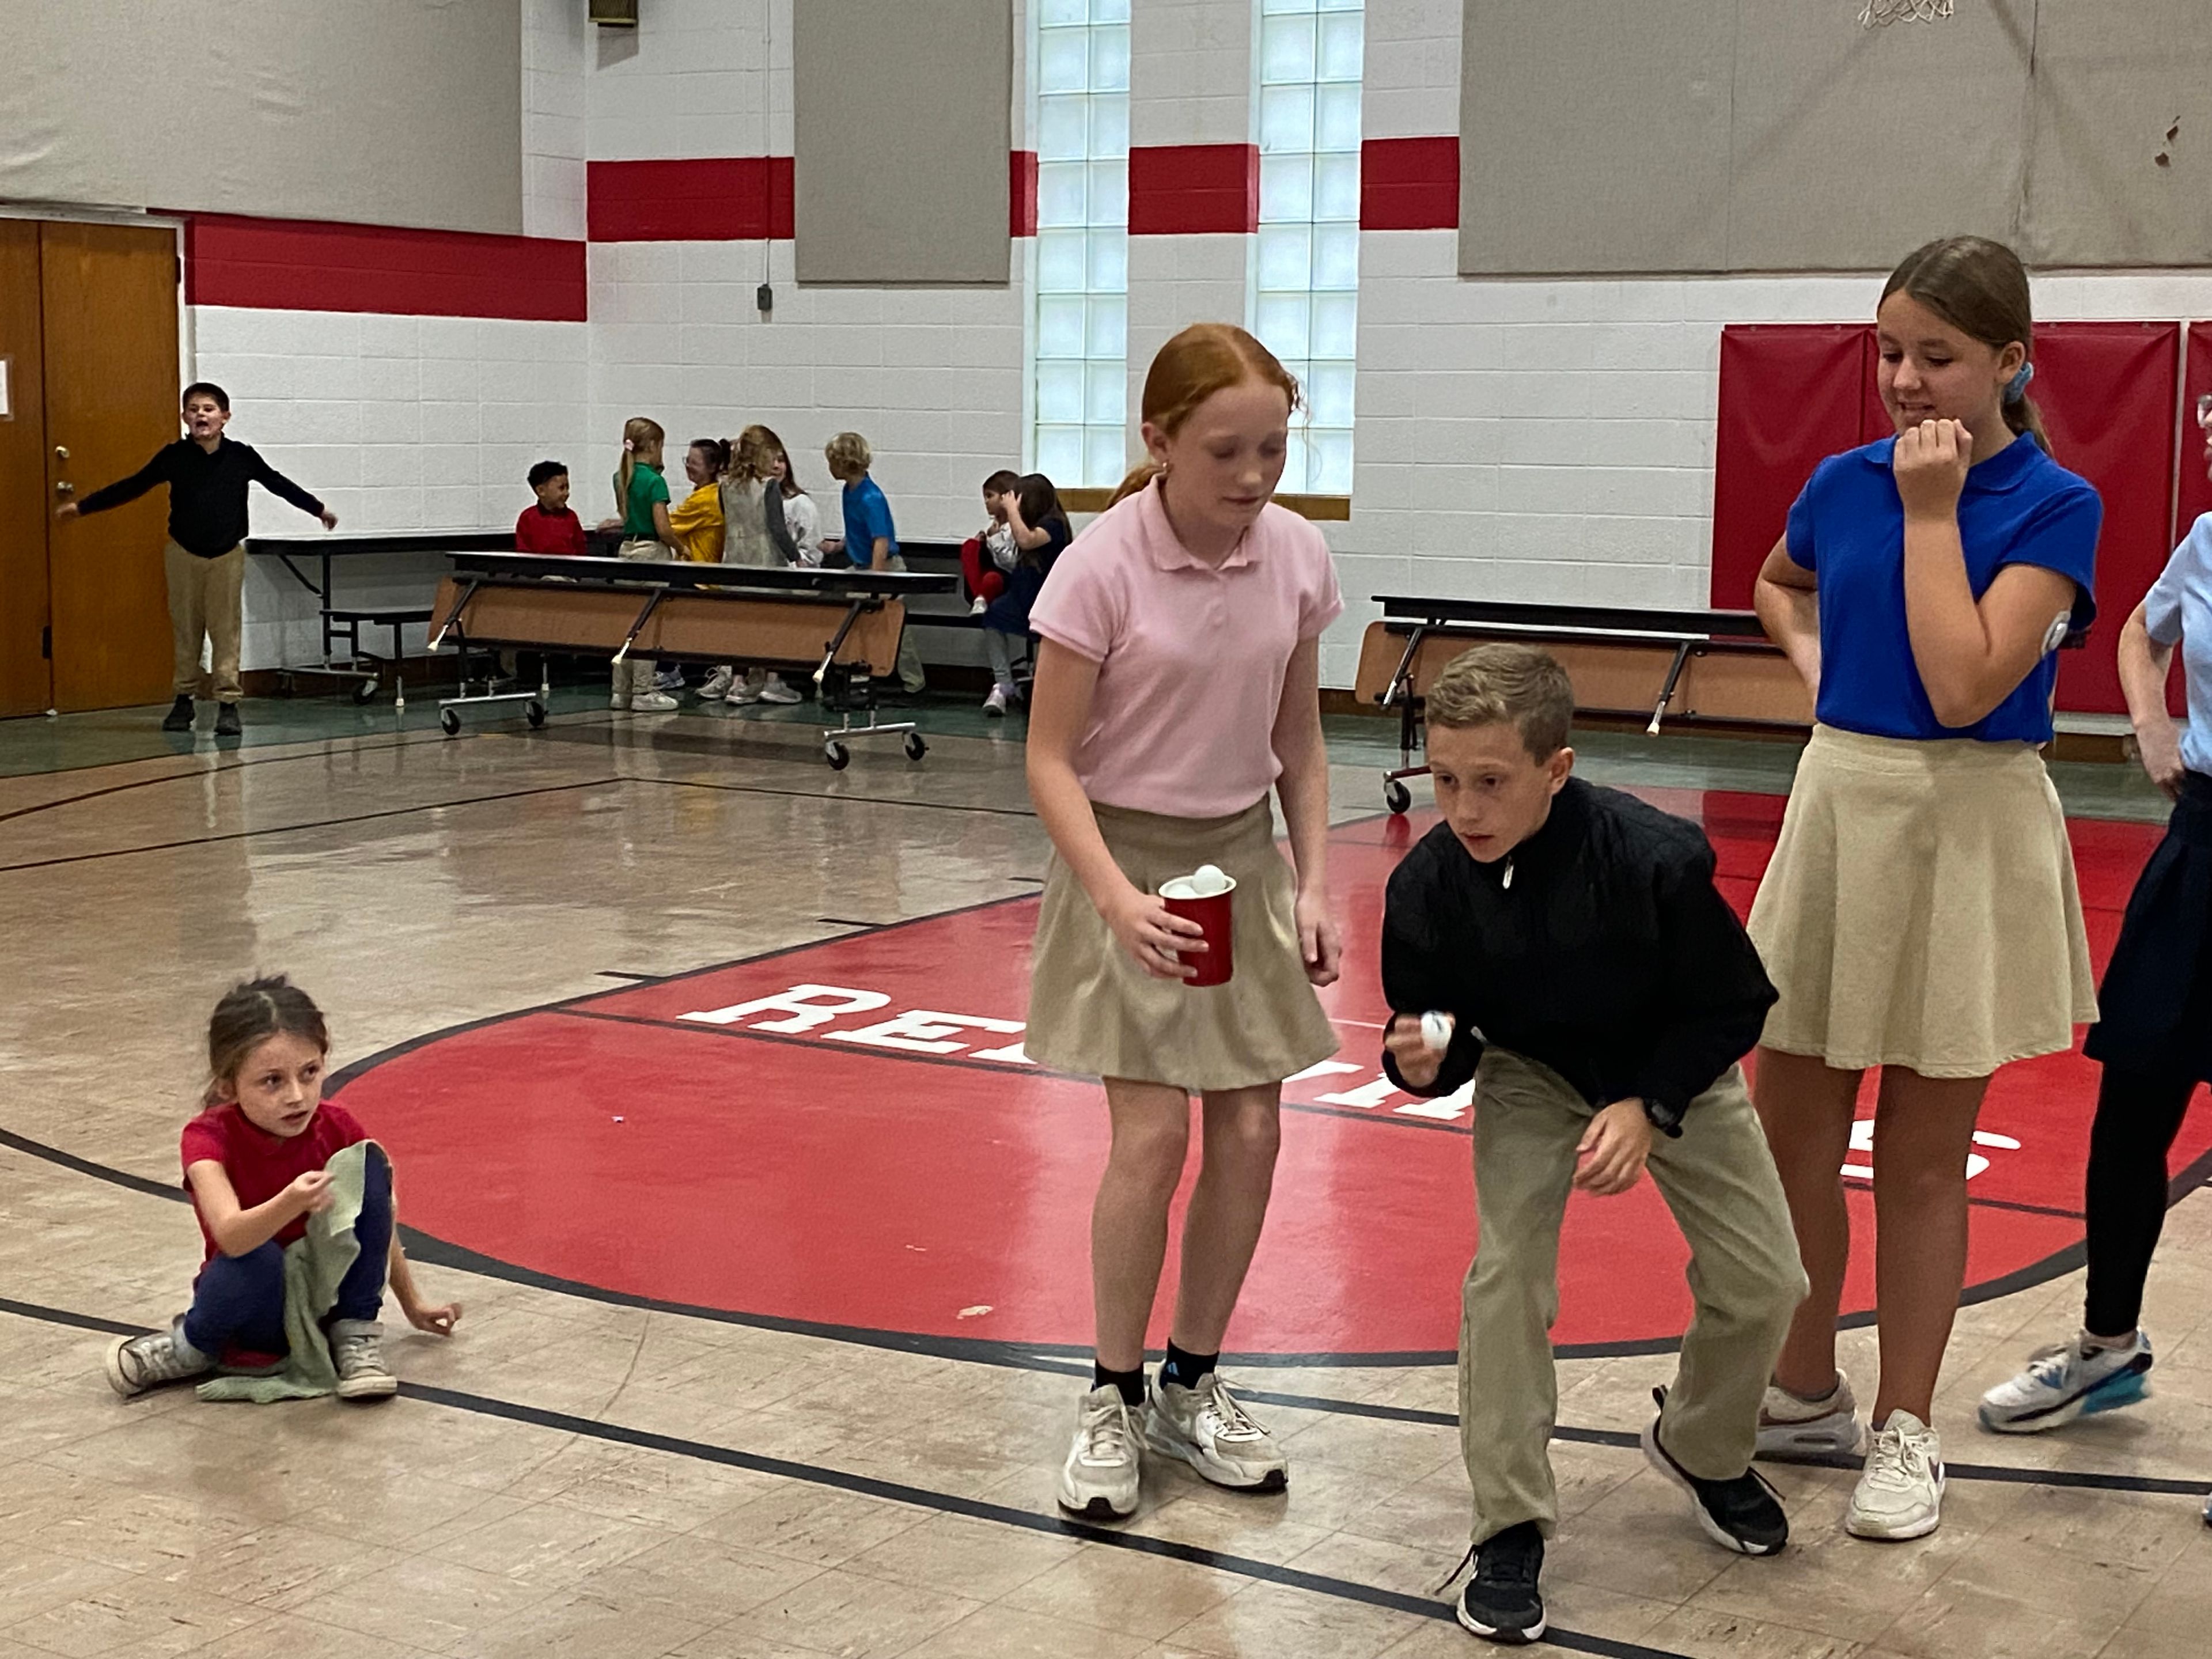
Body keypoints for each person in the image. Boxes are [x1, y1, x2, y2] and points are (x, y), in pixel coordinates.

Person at [1749, 235, 2101, 1541]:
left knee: (1917, 1154)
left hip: (1963, 816)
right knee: (1785, 1125)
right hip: (1843, 803)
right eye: (1888, 350)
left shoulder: (2052, 504)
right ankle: (1798, 1390)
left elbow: (1962, 683)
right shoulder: (1841, 482)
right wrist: (1819, 679)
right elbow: (1776, 583)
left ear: (2008, 362)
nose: (1903, 380)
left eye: (1936, 357)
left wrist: (1933, 512)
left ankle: (1904, 1426)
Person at [1380, 643, 1806, 1645]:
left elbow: (1735, 1005)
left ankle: (1702, 1446)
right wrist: (1425, 1056)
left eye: (1490, 783)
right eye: (1444, 781)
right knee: (1505, 1279)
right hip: (1531, 1072)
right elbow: (1443, 1033)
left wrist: (1650, 1107)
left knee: (1767, 1281)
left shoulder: (1653, 858)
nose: (1465, 808)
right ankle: (1511, 1525)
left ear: (1556, 770)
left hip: (1675, 1064)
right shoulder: (1428, 887)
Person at [1025, 323, 1342, 1522]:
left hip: (1240, 863)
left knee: (1252, 1133)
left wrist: (1309, 883)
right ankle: (1109, 1394)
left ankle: (1191, 1383)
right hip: (1125, 863)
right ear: (1158, 443)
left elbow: (1300, 744)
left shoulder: (1298, 558)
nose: (1254, 476)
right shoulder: (1099, 569)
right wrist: (1116, 899)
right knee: (1151, 1138)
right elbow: (1049, 760)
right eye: (1225, 452)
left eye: (1272, 448)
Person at [1978, 400, 2211, 1529]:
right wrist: (2149, 724)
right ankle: (2109, 1346)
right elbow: (2138, 632)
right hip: (2201, 853)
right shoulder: (2209, 538)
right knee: (2133, 1111)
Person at [103, 975, 460, 1401]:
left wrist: (413, 1303)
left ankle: (355, 1336)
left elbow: (379, 1225)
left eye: (309, 1073)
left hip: (323, 1302)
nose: (297, 1096)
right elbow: (231, 1236)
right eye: (272, 1081)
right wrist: (291, 1201)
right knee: (255, 1256)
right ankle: (193, 1346)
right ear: (226, 1084)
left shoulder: (339, 1127)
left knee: (369, 1163)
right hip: (257, 1310)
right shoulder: (206, 1138)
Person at [56, 382, 336, 738]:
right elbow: (133, 485)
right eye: (193, 409)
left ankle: (228, 704)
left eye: (208, 408)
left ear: (225, 417)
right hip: (184, 554)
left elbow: (278, 483)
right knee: (186, 629)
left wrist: (317, 509)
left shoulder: (241, 457)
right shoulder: (174, 457)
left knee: (225, 631)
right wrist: (83, 507)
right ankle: (184, 698)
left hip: (226, 556)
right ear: (185, 417)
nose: (201, 415)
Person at [821, 431, 926, 695]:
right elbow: (861, 530)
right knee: (852, 615)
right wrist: (840, 545)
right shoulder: (850, 491)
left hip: (883, 567)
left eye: (832, 462)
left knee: (892, 625)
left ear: (845, 463)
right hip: (862, 567)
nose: (829, 468)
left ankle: (914, 682)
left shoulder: (871, 497)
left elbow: (880, 540)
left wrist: (876, 578)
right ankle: (856, 672)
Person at [704, 426, 802, 706]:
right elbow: (776, 527)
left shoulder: (725, 485)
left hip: (734, 558)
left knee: (740, 623)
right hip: (765, 560)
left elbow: (728, 519)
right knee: (773, 621)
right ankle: (772, 680)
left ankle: (738, 682)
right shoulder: (769, 486)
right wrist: (795, 556)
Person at [981, 472, 1072, 717]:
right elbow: (1013, 559)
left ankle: (1045, 695)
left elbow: (1026, 541)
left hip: (1046, 601)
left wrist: (1010, 509)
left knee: (1046, 645)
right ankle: (1004, 683)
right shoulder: (1029, 525)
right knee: (992, 617)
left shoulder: (1055, 525)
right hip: (1021, 595)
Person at [609, 418, 681, 713]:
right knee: (648, 623)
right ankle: (644, 690)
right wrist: (681, 547)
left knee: (626, 623)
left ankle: (620, 691)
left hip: (627, 550)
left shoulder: (620, 477)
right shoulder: (654, 481)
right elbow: (663, 527)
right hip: (652, 552)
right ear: (653, 445)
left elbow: (626, 517)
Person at [963, 469, 1024, 613]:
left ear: (1005, 498)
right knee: (970, 546)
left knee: (992, 578)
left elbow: (1011, 564)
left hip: (1007, 580)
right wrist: (981, 544)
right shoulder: (993, 527)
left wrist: (995, 539)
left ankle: (982, 597)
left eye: (990, 496)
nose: (986, 502)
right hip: (989, 577)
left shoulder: (1015, 528)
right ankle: (979, 596)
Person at [514, 460, 588, 555]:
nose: (567, 493)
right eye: (561, 488)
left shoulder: (571, 517)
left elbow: (581, 549)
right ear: (541, 491)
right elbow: (524, 553)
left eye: (567, 487)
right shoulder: (527, 518)